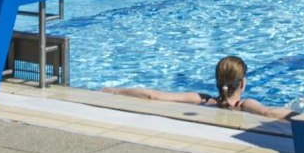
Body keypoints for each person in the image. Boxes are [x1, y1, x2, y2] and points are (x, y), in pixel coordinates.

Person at [101, 56, 293, 119]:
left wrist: (114, 91)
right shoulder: (243, 105)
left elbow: (153, 96)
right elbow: (268, 113)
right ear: (242, 83)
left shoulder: (203, 99)